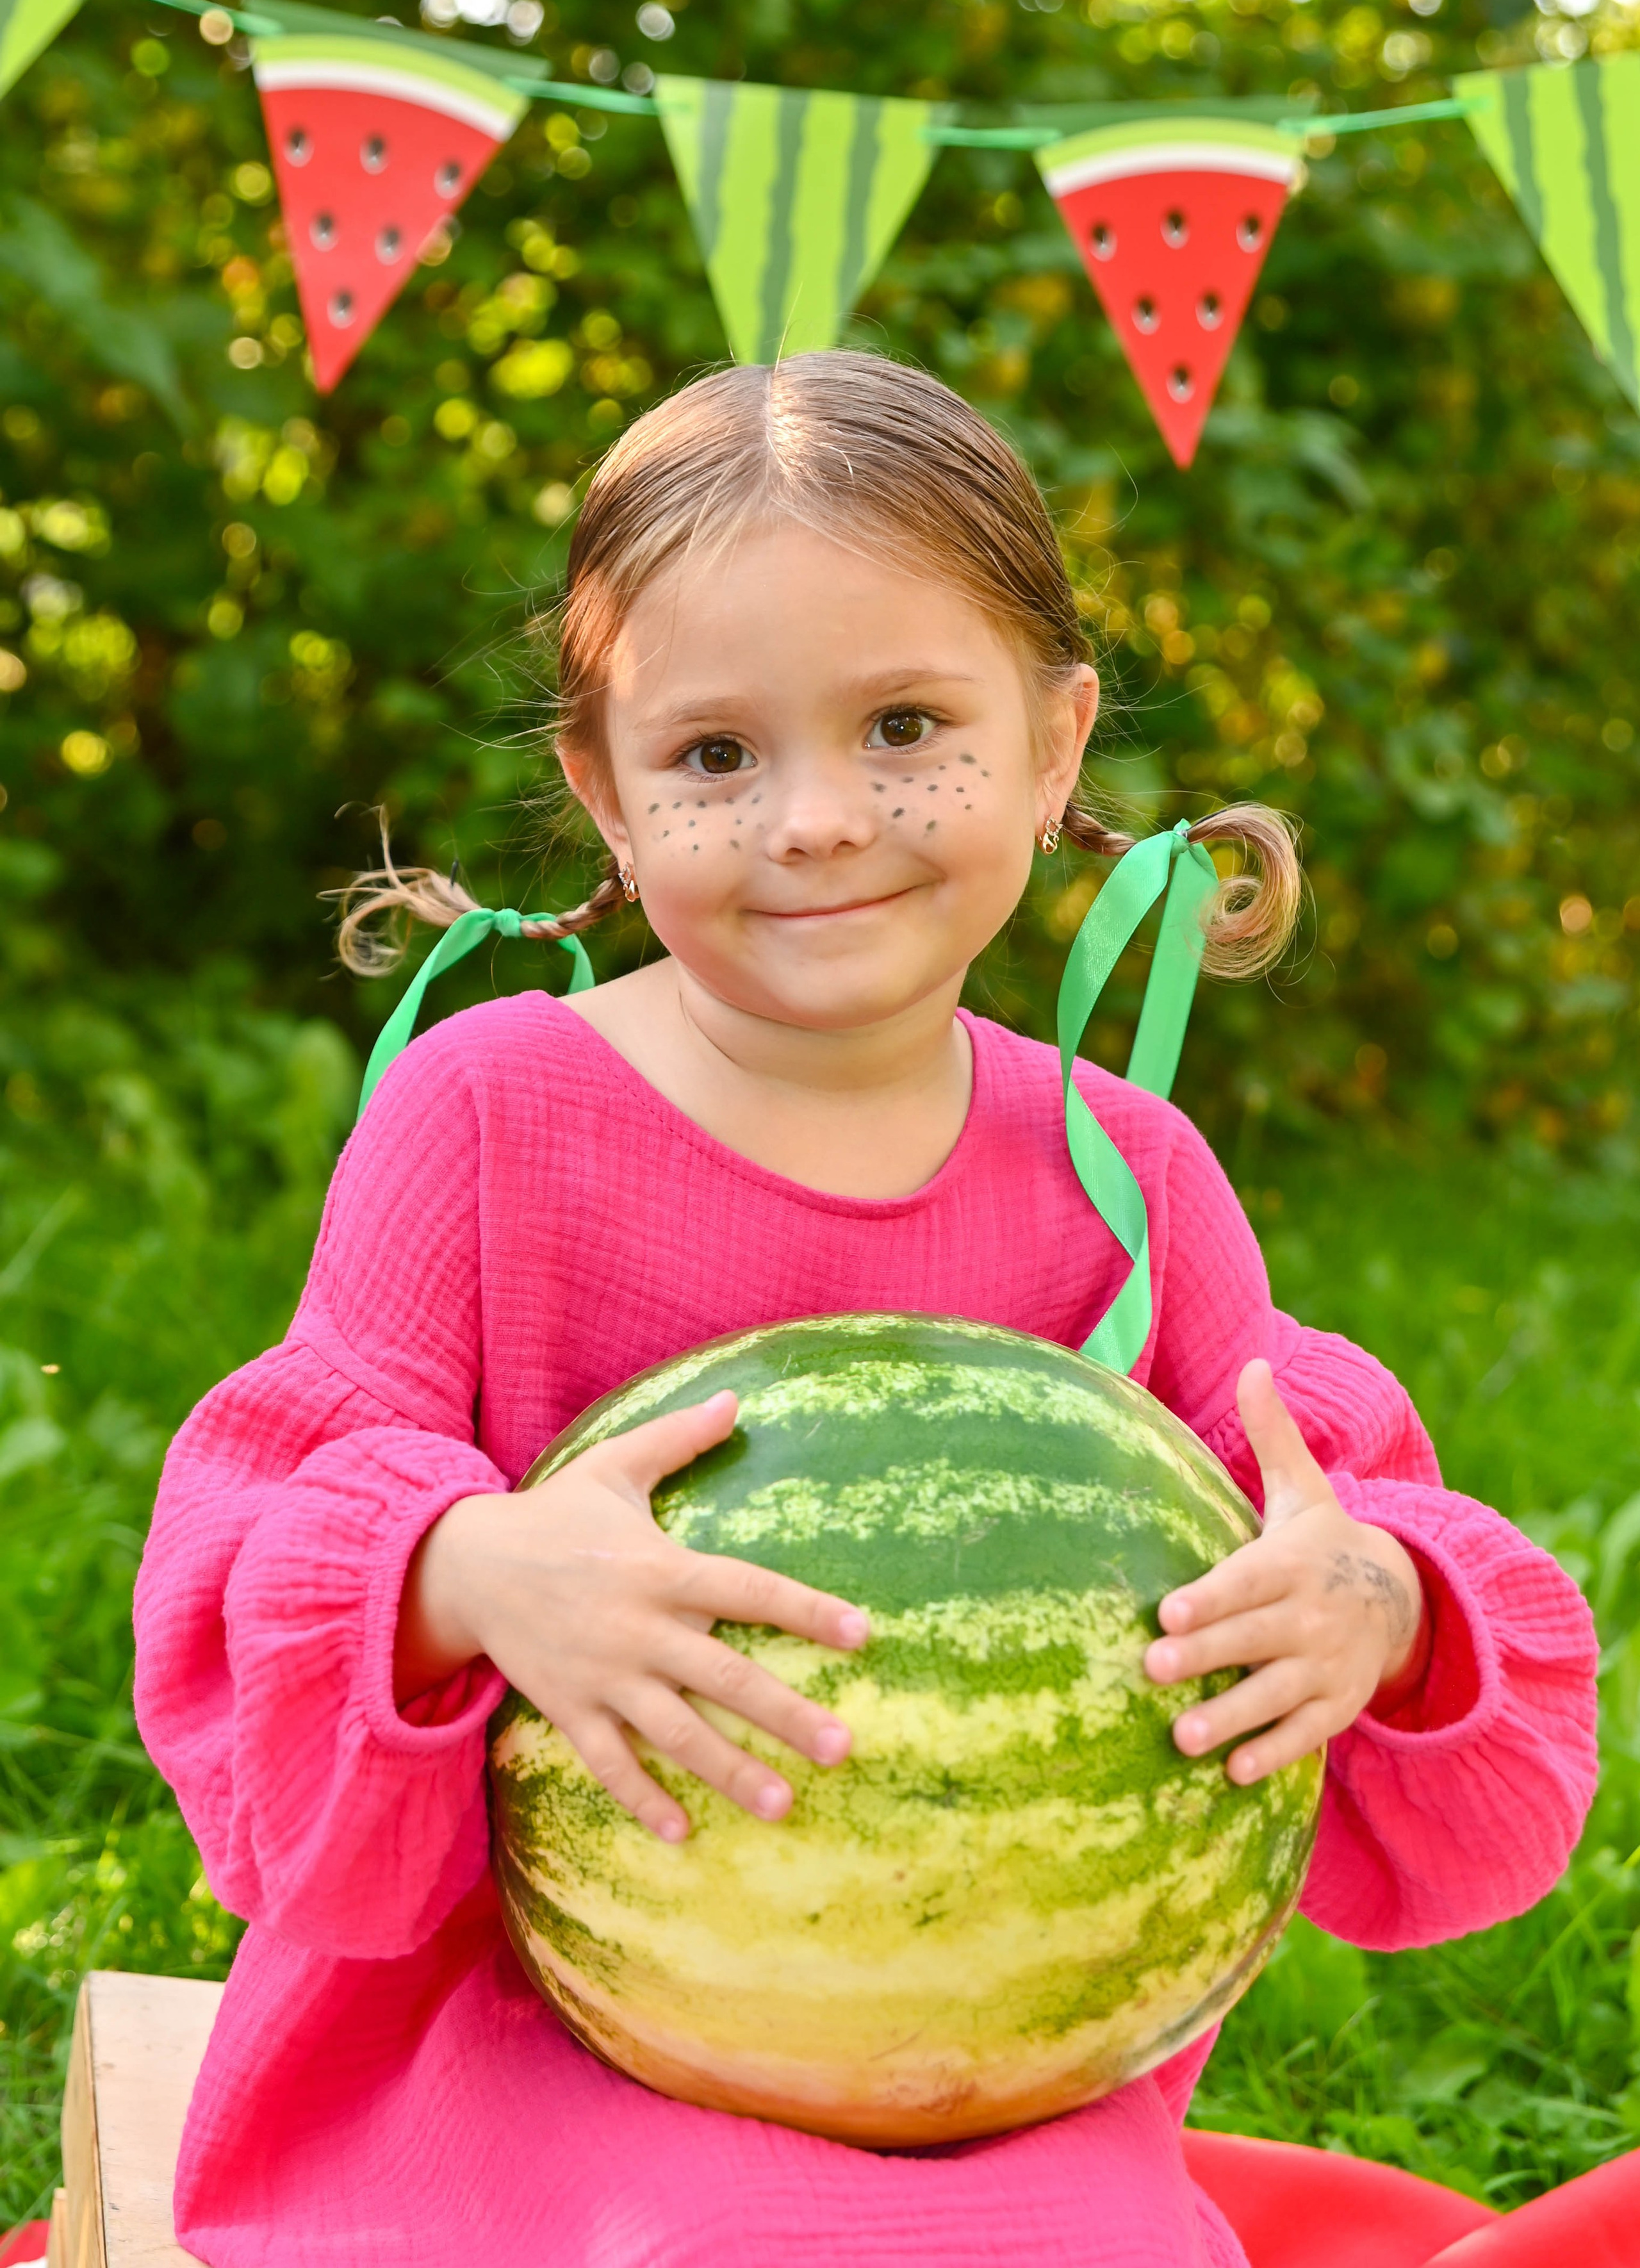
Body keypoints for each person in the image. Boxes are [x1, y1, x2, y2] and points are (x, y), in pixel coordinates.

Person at [134, 354, 1598, 2268]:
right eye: (718, 756)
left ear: (1061, 743)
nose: (818, 820)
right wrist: (467, 1575)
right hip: (529, 2033)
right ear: (603, 788)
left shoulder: (1126, 1179)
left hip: (992, 2055)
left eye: (907, 725)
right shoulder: (493, 1115)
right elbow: (256, 1559)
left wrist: (1376, 1607)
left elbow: (1340, 1523)